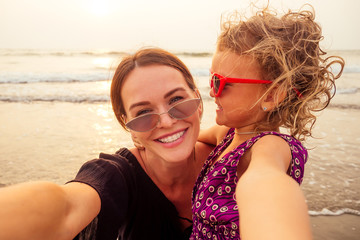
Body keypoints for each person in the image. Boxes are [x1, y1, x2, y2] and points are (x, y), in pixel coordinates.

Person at [0, 48, 213, 240]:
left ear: (198, 101)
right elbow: (66, 209)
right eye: (144, 112)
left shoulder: (229, 157)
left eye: (176, 100)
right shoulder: (117, 174)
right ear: (129, 127)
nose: (166, 121)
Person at [190, 5, 344, 240]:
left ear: (271, 96)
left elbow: (266, 181)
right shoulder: (229, 133)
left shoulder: (269, 146)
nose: (212, 92)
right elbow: (194, 136)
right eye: (211, 78)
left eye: (221, 83)